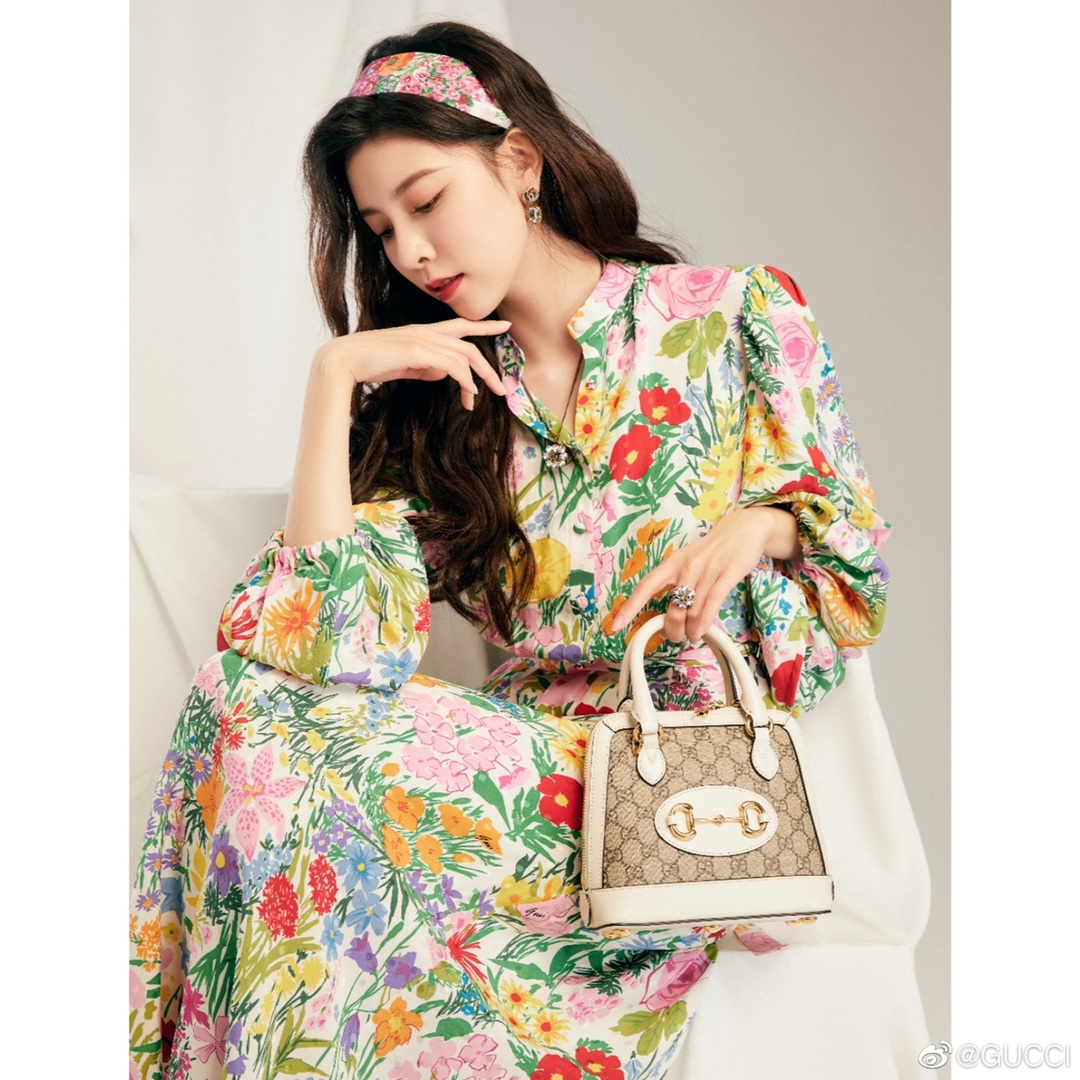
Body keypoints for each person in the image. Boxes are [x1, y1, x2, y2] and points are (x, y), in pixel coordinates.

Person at [129, 21, 902, 1080]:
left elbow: (854, 568)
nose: (410, 252)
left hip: (677, 796)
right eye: (382, 229)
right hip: (517, 773)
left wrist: (761, 524)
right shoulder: (433, 402)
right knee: (244, 697)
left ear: (521, 162)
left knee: (254, 719)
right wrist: (333, 380)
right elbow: (322, 646)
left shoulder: (736, 317)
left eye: (427, 202)